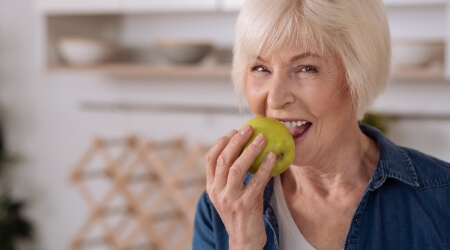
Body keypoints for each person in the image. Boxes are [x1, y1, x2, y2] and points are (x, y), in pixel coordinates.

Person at [192, 0, 450, 249]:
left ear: (357, 76)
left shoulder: (442, 198)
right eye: (261, 68)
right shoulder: (223, 206)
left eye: (306, 68)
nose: (276, 97)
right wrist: (243, 245)